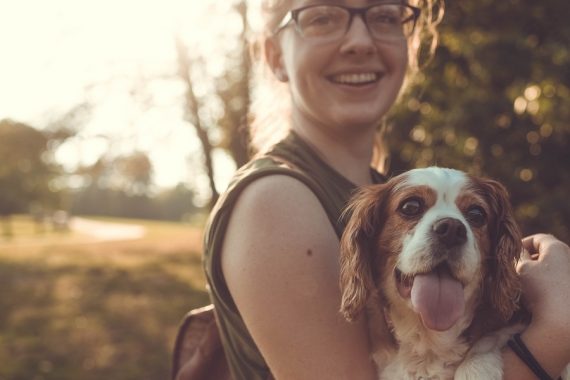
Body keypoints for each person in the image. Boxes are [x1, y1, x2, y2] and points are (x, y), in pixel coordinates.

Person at [202, 0, 570, 379]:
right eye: (323, 16)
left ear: (409, 45)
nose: (360, 41)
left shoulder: (382, 188)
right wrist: (554, 335)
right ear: (275, 54)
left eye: (384, 16)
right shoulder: (274, 200)